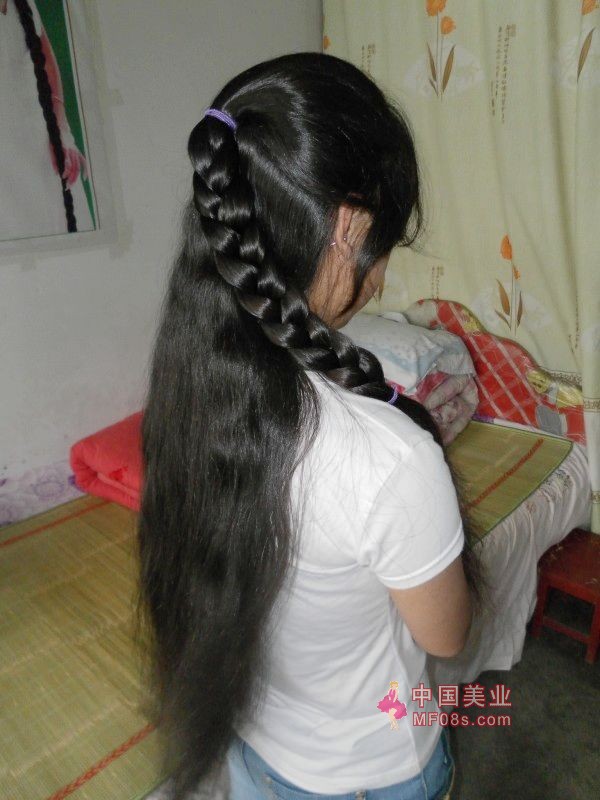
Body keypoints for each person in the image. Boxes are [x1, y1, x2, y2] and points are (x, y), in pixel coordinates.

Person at [135, 52, 483, 800]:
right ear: (349, 226)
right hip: (371, 776)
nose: (381, 277)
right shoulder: (389, 459)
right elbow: (448, 636)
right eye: (386, 244)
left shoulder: (189, 393)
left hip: (254, 755)